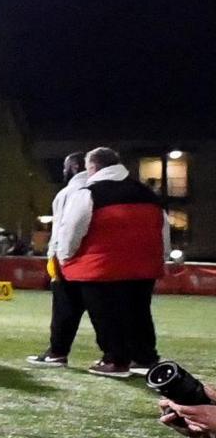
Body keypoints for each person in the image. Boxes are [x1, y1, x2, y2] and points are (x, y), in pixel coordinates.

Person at [60, 146, 171, 378]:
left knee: (105, 314)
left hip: (102, 266)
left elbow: (73, 229)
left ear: (93, 166)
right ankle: (144, 357)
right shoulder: (148, 194)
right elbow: (163, 230)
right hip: (143, 266)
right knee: (139, 312)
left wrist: (66, 255)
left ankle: (115, 359)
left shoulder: (88, 193)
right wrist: (161, 257)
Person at [30, 153, 93, 367]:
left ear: (74, 167)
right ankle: (116, 356)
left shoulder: (70, 192)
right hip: (100, 264)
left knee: (64, 311)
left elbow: (64, 230)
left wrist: (57, 257)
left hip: (73, 261)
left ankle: (57, 352)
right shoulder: (105, 190)